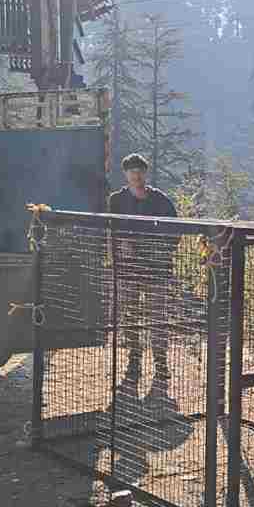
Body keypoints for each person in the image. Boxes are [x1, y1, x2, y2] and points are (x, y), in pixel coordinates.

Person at [107, 154, 179, 391]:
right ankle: (134, 361)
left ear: (145, 173)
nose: (136, 175)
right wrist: (119, 250)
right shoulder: (116, 200)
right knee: (129, 316)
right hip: (128, 270)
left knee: (157, 318)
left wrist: (158, 251)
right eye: (132, 171)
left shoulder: (161, 200)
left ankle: (161, 364)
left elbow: (175, 232)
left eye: (139, 171)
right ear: (125, 174)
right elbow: (111, 232)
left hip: (157, 270)